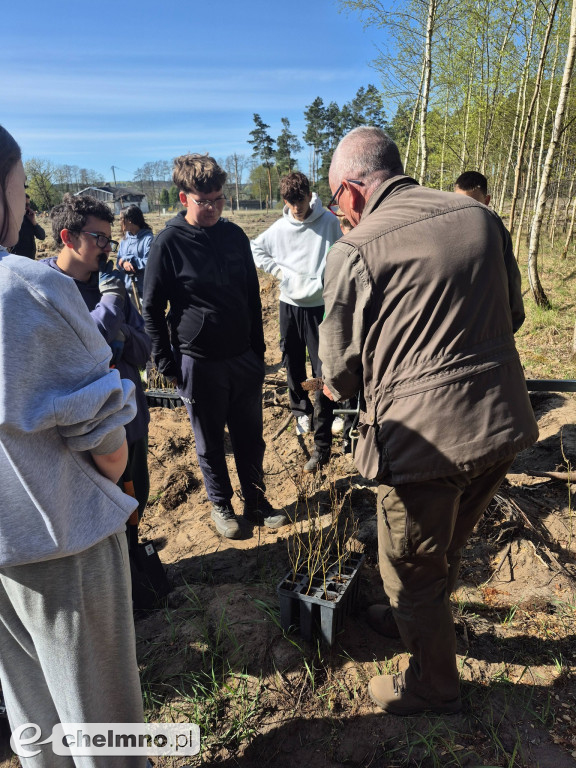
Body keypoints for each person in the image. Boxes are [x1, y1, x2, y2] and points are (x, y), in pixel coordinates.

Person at [319, 126, 539, 716]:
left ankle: (433, 682)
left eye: (335, 198)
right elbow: (513, 314)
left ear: (352, 191)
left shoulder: (355, 249)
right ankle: (412, 620)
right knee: (446, 544)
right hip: (501, 421)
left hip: (424, 446)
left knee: (411, 567)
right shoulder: (479, 218)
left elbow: (338, 372)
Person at [0, 125, 145, 766]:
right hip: (61, 538)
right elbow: (107, 446)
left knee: (34, 718)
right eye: (20, 187)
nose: (24, 203)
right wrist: (113, 475)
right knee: (103, 722)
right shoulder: (30, 289)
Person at [143, 153, 286, 538]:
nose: (212, 208)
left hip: (243, 359)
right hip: (199, 362)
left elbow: (252, 297)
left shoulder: (235, 236)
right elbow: (152, 309)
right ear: (182, 197)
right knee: (209, 441)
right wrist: (166, 363)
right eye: (203, 200)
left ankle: (255, 502)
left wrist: (257, 351)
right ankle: (221, 505)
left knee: (250, 437)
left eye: (218, 199)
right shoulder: (168, 244)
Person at [47, 194, 151, 519]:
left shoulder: (111, 284)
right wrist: (108, 310)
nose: (108, 248)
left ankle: (134, 559)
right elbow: (78, 349)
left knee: (134, 501)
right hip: (82, 433)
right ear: (68, 237)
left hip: (129, 421)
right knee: (96, 514)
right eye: (100, 238)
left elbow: (146, 347)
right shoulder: (44, 289)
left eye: (110, 238)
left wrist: (123, 334)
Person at [251, 171, 342, 473]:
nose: (296, 208)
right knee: (291, 359)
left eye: (300, 201)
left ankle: (323, 425)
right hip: (289, 304)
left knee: (321, 366)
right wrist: (282, 273)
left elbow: (343, 250)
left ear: (309, 195)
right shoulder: (280, 228)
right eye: (290, 203)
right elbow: (256, 249)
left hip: (319, 307)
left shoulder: (328, 222)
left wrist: (326, 278)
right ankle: (300, 408)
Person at [454, 171, 525, 332]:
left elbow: (511, 278)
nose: (464, 210)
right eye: (459, 202)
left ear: (487, 201)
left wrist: (511, 326)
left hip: (485, 329)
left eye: (471, 205)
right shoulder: (440, 228)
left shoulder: (496, 231)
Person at [117, 205, 153, 304]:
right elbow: (118, 261)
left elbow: (149, 262)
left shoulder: (148, 239)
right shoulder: (124, 240)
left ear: (130, 220)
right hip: (127, 290)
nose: (119, 222)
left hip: (143, 292)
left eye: (121, 219)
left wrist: (130, 260)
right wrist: (124, 263)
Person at [10, 193, 45, 258]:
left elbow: (42, 236)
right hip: (16, 259)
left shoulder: (29, 218)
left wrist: (34, 222)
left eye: (29, 205)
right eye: (25, 204)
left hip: (30, 259)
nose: (28, 207)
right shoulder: (9, 219)